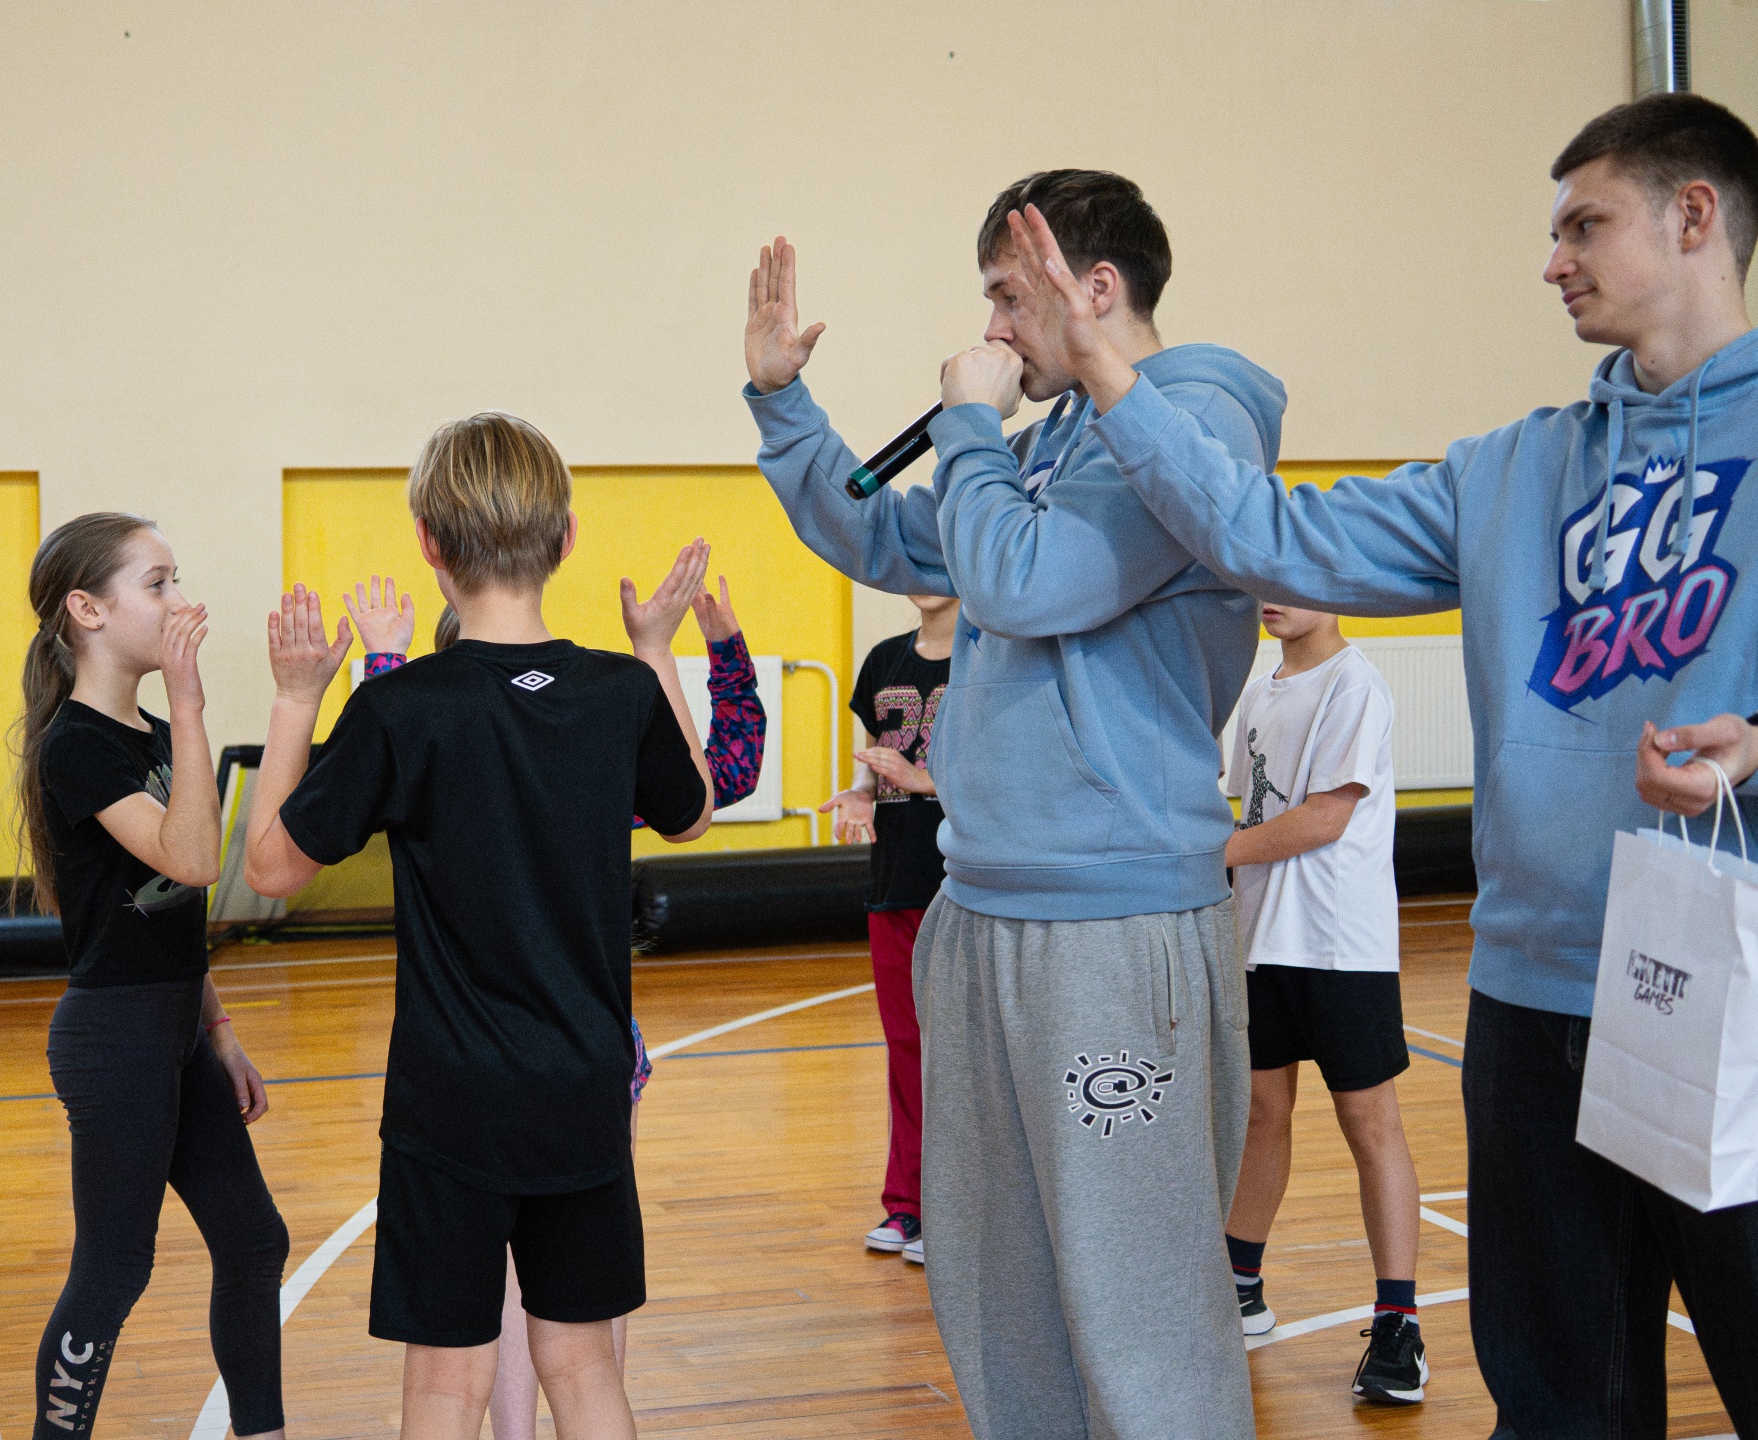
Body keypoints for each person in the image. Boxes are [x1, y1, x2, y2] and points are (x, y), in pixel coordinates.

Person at [1016, 91, 1758, 1437]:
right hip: (1530, 998)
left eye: (1584, 225)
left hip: (1734, 993)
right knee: (1560, 1402)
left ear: (1694, 216)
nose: (1552, 262)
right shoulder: (1513, 471)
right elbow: (1263, 534)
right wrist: (1112, 377)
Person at [744, 168, 1285, 1439]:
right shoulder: (1044, 443)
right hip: (984, 905)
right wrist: (783, 403)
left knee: (1139, 1302)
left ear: (1094, 288)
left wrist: (969, 428)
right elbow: (889, 541)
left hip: (1111, 920)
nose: (990, 329)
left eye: (1007, 297)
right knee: (1002, 1286)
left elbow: (1030, 582)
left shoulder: (1191, 424)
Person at [242, 413, 715, 1440]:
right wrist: (653, 651)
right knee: (584, 1367)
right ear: (567, 539)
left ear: (429, 544)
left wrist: (293, 701)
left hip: (450, 1099)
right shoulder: (620, 694)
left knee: (446, 1386)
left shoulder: (403, 707)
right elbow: (692, 814)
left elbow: (270, 868)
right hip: (584, 1085)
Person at [352, 556, 765, 1440]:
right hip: (580, 1057)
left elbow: (715, 780)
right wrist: (680, 651)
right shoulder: (582, 728)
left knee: (537, 1316)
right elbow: (714, 786)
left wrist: (381, 665)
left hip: (497, 1066)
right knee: (572, 1329)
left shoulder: (457, 726)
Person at [13, 512, 291, 1440]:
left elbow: (170, 911)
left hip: (174, 1027)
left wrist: (219, 1031)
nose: (181, 600)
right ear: (87, 609)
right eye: (158, 583)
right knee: (114, 1269)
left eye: (178, 578)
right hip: (116, 1038)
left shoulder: (156, 733)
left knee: (254, 1241)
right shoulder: (78, 745)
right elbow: (194, 860)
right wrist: (191, 704)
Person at [1218, 604, 1425, 1404]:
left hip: (1340, 944)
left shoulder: (1353, 684)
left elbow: (1324, 818)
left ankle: (1399, 1325)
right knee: (1262, 1112)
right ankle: (1240, 1284)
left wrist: (1207, 856)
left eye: (1294, 579)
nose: (1273, 595)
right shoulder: (1260, 689)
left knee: (1370, 1125)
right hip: (1261, 940)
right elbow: (1252, 808)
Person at [819, 592, 958, 1266]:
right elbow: (879, 772)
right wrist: (861, 794)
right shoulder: (883, 661)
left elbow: (1011, 780)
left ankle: (958, 1213)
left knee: (961, 1056)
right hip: (893, 884)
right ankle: (908, 1204)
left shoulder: (997, 660)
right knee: (906, 1050)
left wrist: (923, 781)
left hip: (964, 889)